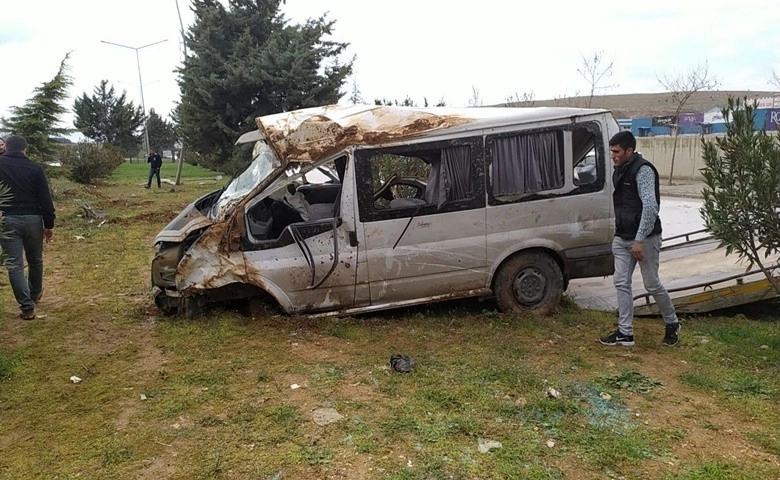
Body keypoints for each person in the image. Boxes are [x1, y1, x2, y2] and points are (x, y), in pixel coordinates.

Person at [600, 131, 680, 347]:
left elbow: (651, 207)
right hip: (622, 237)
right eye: (612, 152)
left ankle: (672, 323)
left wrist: (639, 240)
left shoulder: (643, 171)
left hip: (645, 238)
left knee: (652, 284)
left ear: (629, 151)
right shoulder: (620, 169)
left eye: (616, 152)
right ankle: (625, 333)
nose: (613, 156)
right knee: (621, 282)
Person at [0, 135, 56, 320]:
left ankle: (26, 306)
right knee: (35, 259)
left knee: (14, 264)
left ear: (6, 147)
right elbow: (45, 199)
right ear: (25, 149)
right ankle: (34, 293)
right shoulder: (35, 168)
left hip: (6, 218)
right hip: (33, 218)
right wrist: (49, 224)